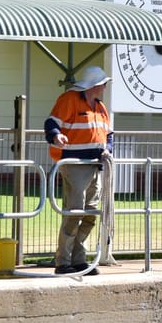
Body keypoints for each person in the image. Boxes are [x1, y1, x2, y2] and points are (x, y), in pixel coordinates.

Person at [44, 65, 113, 275]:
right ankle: (63, 262)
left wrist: (107, 150)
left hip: (95, 165)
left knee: (91, 212)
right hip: (73, 164)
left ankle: (78, 259)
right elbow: (51, 123)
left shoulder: (100, 107)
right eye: (103, 85)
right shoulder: (69, 99)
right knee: (74, 212)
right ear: (95, 85)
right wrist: (57, 136)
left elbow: (108, 135)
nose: (105, 88)